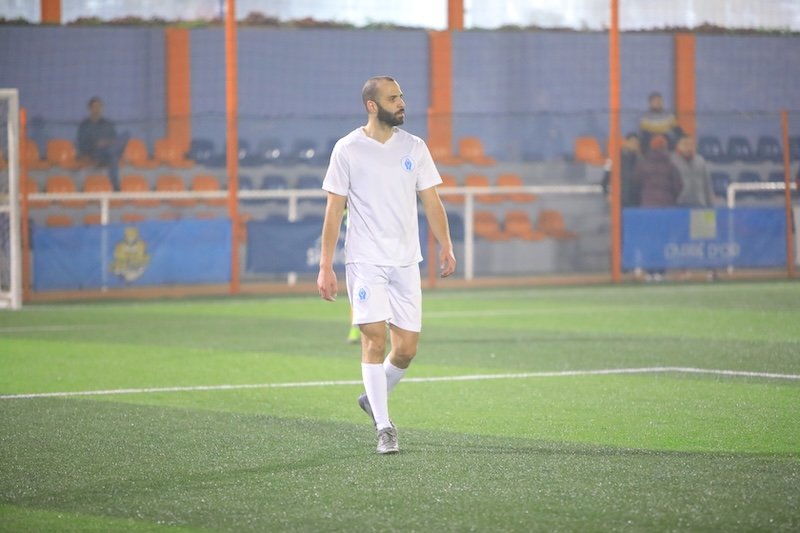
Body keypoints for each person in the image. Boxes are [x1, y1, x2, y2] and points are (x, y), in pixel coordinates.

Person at [317, 75, 457, 454]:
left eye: (401, 97)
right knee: (374, 339)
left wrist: (446, 244)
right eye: (393, 98)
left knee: (407, 349)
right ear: (372, 105)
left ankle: (372, 397)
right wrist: (326, 265)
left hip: (406, 261)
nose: (401, 103)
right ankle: (384, 427)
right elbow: (334, 210)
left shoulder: (415, 147)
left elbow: (431, 201)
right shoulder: (348, 149)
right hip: (365, 260)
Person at [634, 134, 683, 281]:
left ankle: (649, 271)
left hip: (648, 208)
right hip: (665, 208)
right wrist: (671, 199)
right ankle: (661, 272)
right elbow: (679, 185)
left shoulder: (643, 164)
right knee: (663, 240)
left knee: (649, 239)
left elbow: (636, 183)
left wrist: (643, 198)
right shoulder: (670, 165)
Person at [76, 96, 129, 190]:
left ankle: (112, 152)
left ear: (102, 108)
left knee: (126, 134)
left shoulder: (108, 124)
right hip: (96, 153)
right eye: (94, 107)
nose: (97, 109)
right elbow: (82, 145)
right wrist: (97, 145)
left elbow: (115, 140)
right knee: (113, 156)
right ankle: (116, 188)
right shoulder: (84, 126)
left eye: (99, 107)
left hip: (110, 150)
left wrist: (106, 143)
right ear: (89, 109)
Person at [602, 132, 642, 207]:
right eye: (633, 142)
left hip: (635, 202)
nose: (634, 145)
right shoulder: (613, 158)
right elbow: (605, 179)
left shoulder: (640, 160)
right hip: (619, 201)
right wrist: (607, 193)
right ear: (626, 142)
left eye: (637, 143)